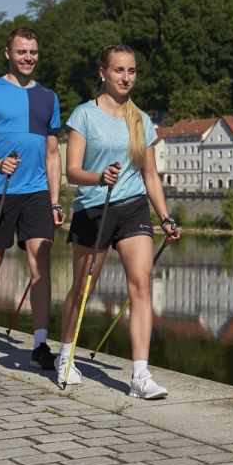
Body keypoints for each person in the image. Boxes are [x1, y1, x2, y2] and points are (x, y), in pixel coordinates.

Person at [57, 44, 180, 397]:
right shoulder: (84, 115)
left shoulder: (141, 120)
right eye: (119, 70)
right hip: (93, 208)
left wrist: (165, 217)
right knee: (83, 289)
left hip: (132, 207)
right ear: (103, 73)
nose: (126, 77)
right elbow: (72, 171)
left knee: (140, 284)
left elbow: (150, 175)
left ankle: (140, 376)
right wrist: (99, 177)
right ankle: (65, 356)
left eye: (132, 71)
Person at [0, 25, 66, 368]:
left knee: (40, 262)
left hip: (37, 192)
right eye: (22, 51)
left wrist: (55, 201)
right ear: (7, 53)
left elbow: (53, 154)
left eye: (33, 52)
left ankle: (40, 344)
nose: (28, 58)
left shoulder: (49, 97)